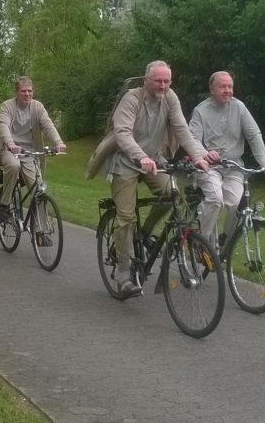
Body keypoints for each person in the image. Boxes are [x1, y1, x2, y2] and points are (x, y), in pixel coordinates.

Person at [86, 60, 209, 297]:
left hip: (153, 161)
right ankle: (123, 274)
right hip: (125, 161)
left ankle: (143, 235)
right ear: (146, 81)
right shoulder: (132, 99)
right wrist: (140, 156)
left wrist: (200, 156)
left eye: (166, 81)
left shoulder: (170, 98)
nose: (163, 85)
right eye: (158, 81)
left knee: (172, 194)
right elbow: (122, 133)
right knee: (125, 217)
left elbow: (182, 129)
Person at [189, 71, 265, 249]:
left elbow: (253, 134)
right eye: (222, 86)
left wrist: (264, 162)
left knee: (236, 203)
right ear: (212, 89)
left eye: (230, 86)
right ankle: (203, 243)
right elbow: (192, 138)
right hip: (209, 166)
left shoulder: (239, 107)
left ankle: (225, 237)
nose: (227, 90)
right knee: (215, 199)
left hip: (234, 166)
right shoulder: (200, 110)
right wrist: (205, 153)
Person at [0, 76, 66, 228]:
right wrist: (11, 144)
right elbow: (3, 126)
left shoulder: (37, 107)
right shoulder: (7, 106)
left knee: (38, 191)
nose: (27, 94)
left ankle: (41, 231)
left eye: (30, 91)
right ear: (16, 92)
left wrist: (58, 142)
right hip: (9, 149)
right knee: (13, 166)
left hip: (29, 152)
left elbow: (48, 124)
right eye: (23, 91)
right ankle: (4, 205)